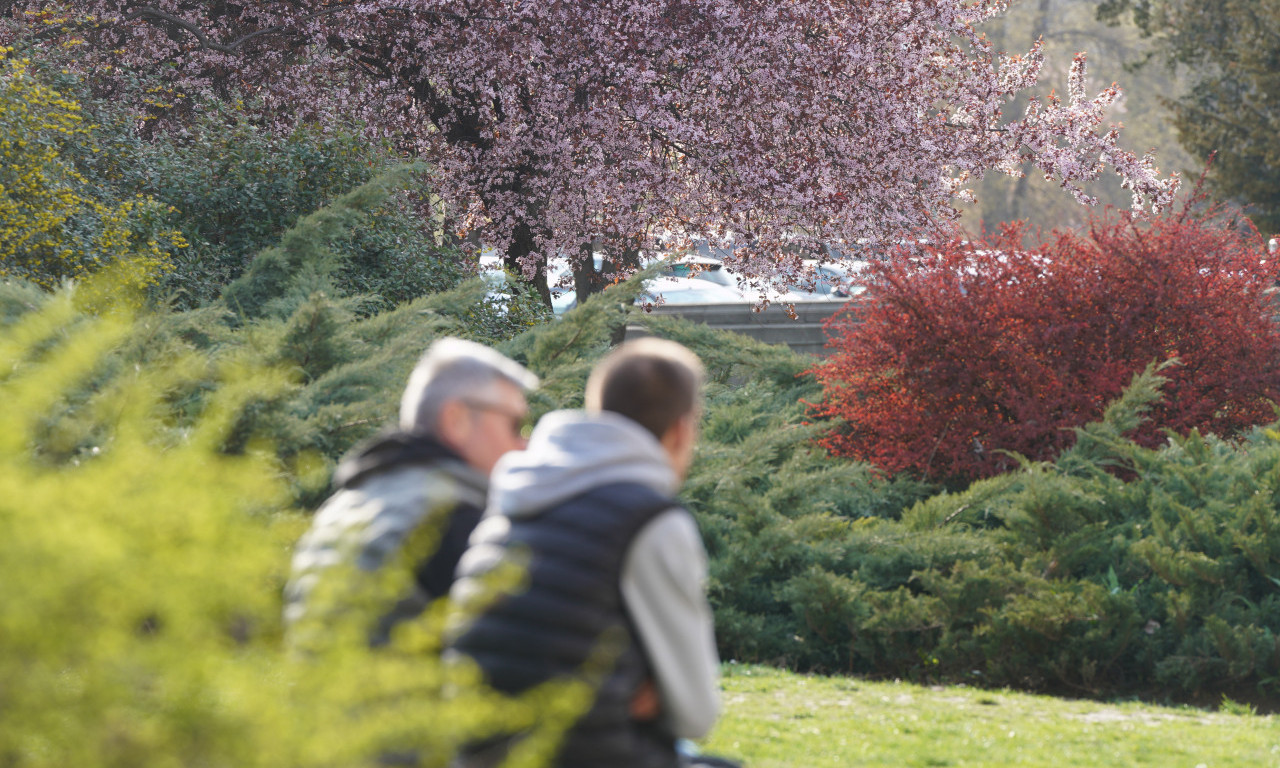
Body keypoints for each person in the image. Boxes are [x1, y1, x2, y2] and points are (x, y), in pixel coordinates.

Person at [446, 338, 725, 768]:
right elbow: (696, 713)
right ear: (682, 430)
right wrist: (644, 686)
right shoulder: (651, 520)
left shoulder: (515, 497)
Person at [283, 337, 538, 648]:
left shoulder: (339, 507)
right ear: (456, 419)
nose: (524, 444)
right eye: (516, 424)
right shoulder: (452, 518)